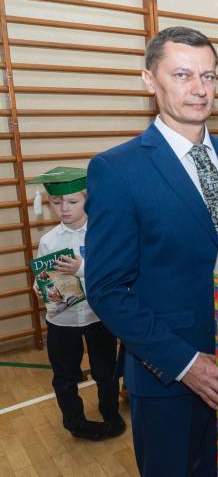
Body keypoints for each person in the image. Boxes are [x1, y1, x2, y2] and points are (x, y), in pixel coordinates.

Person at [85, 27, 218, 476]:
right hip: (167, 375)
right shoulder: (117, 169)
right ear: (150, 80)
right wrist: (185, 364)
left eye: (209, 76)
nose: (199, 89)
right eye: (183, 74)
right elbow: (107, 289)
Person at [27, 167, 124, 441]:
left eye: (72, 201)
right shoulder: (49, 241)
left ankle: (110, 411)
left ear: (87, 200)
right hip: (62, 319)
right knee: (65, 375)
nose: (64, 209)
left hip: (97, 314)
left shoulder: (101, 234)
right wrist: (39, 286)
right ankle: (75, 422)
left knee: (106, 370)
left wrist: (81, 268)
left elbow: (114, 272)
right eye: (56, 202)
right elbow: (45, 277)